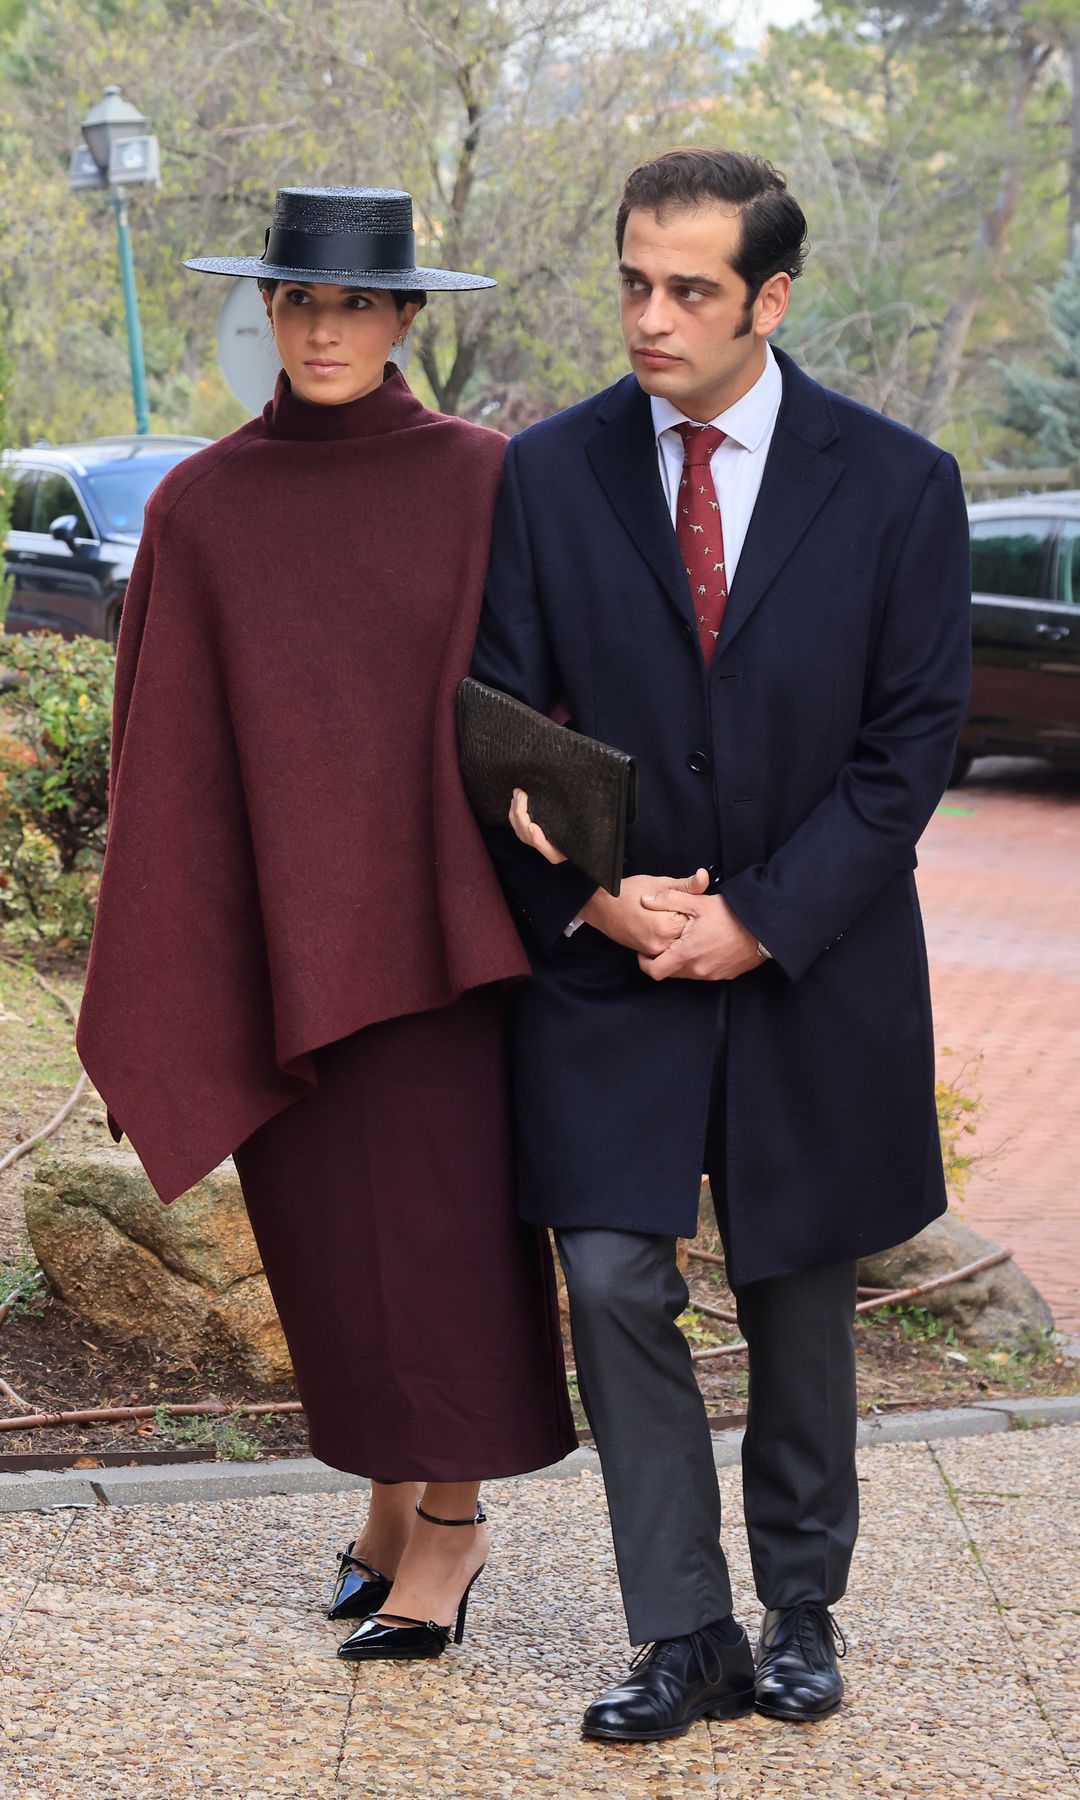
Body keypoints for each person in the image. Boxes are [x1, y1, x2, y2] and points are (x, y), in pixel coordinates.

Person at [471, 147, 971, 1740]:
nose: (649, 315)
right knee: (614, 1278)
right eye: (632, 279)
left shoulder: (897, 482)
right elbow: (496, 721)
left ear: (771, 296)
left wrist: (762, 918)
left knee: (798, 1291)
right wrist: (599, 895)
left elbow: (911, 750)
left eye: (689, 288)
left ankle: (803, 1607)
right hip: (609, 967)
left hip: (814, 970)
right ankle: (685, 1632)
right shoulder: (546, 474)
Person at [77, 185, 576, 1664]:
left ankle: (453, 1529)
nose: (326, 328)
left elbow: (544, 696)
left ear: (407, 318)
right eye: (300, 303)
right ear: (268, 315)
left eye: (358, 303)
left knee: (442, 1243)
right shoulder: (200, 505)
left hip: (446, 934)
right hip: (279, 939)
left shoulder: (490, 481)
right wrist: (178, 955)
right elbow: (157, 746)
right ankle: (385, 1501)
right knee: (326, 1246)